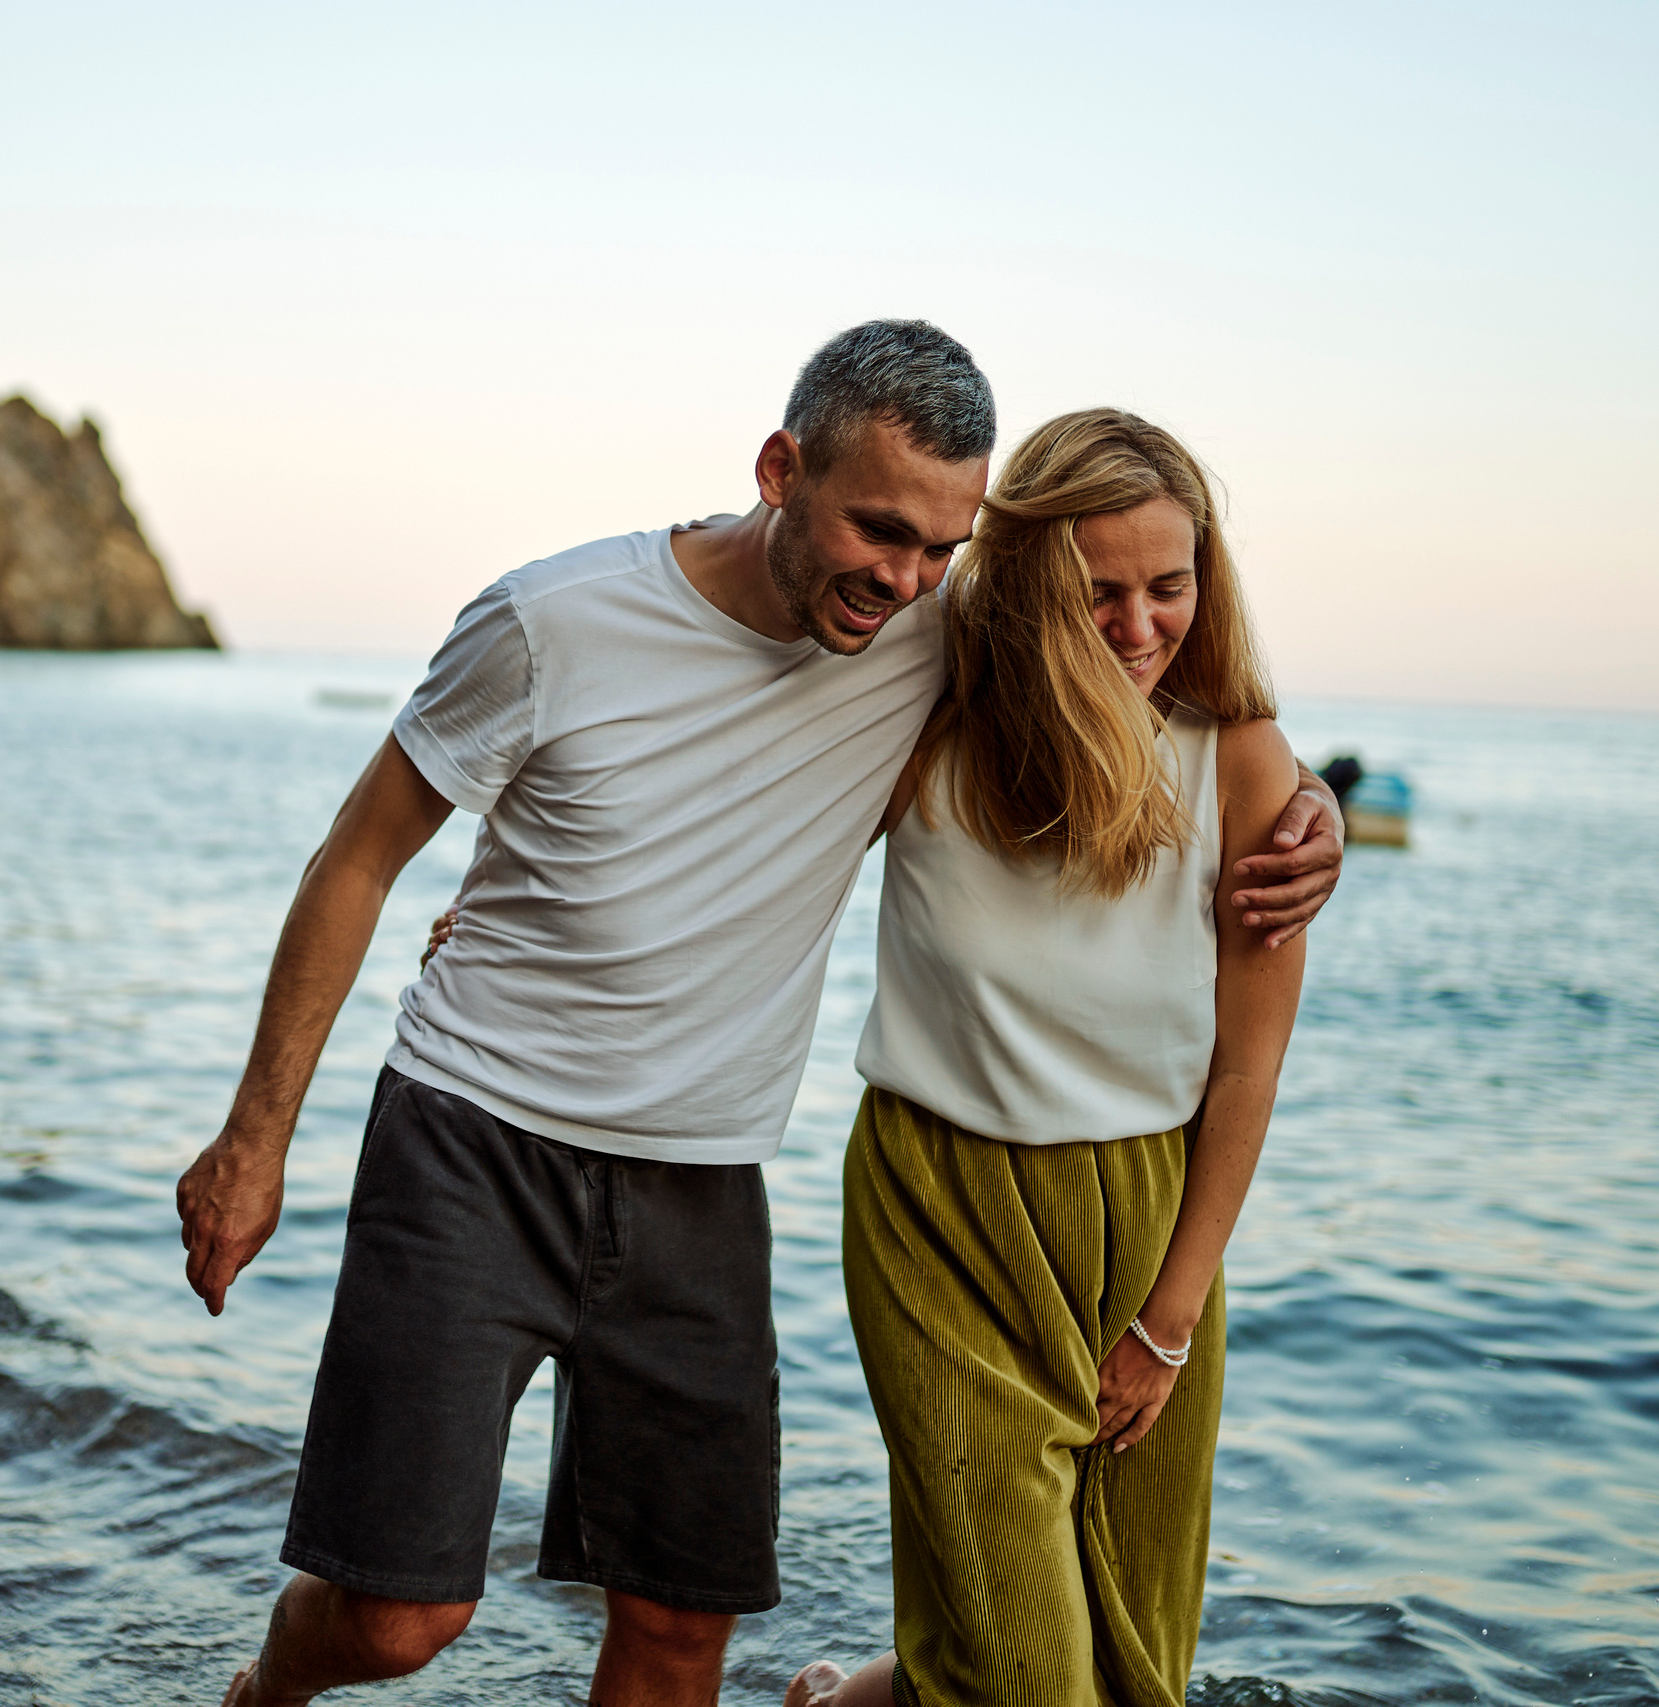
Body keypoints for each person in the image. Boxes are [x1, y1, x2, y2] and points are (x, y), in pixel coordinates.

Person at [173, 323, 1344, 1707]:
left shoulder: (928, 642)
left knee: (681, 1628)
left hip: (699, 1186)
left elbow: (1144, 683)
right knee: (398, 1617)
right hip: (475, 1140)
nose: (903, 581)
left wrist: (1307, 806)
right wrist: (256, 1139)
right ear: (781, 468)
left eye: (940, 551)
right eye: (879, 530)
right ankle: (265, 1690)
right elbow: (361, 852)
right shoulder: (552, 620)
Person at [786, 410, 1306, 1707]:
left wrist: (1169, 1322)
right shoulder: (927, 715)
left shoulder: (1241, 763)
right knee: (1024, 1668)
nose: (1139, 626)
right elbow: (740, 834)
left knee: (1128, 1666)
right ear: (1027, 584)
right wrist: (531, 904)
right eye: (1100, 594)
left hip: (1148, 1224)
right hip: (939, 1211)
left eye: (1169, 587)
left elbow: (1247, 1067)